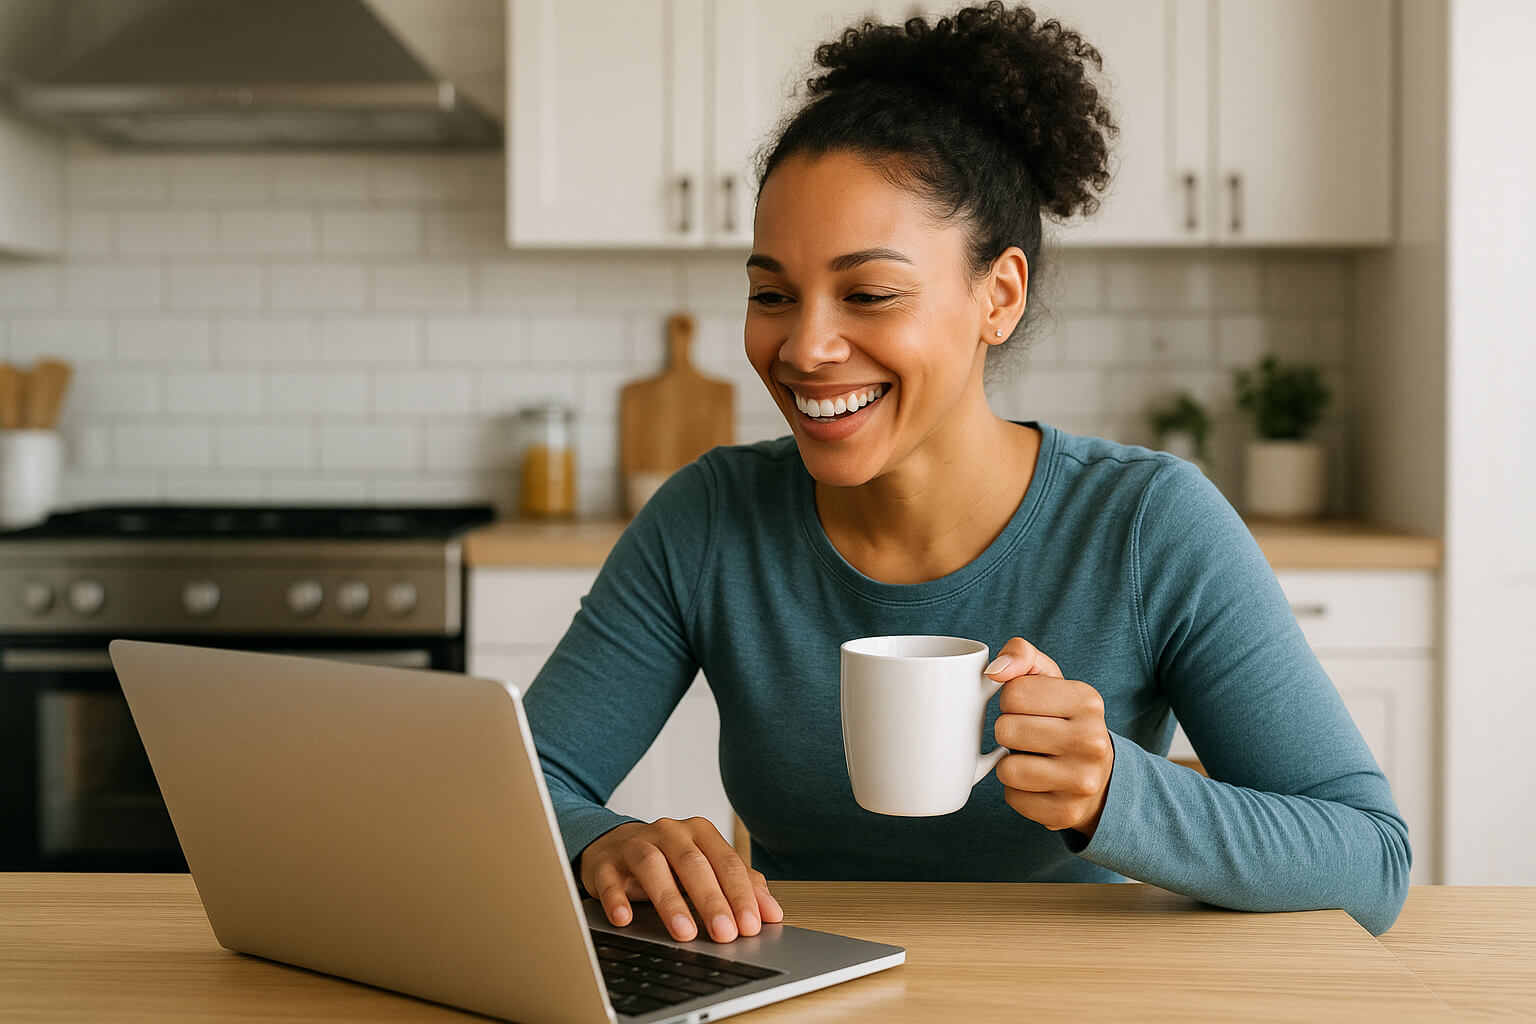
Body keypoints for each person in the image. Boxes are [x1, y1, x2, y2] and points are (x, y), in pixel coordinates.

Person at [524, 2, 1410, 942]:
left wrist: (1116, 792)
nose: (805, 345)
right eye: (771, 294)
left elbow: (1370, 858)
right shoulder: (711, 518)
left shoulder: (1148, 524)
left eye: (868, 293)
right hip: (792, 993)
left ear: (1000, 295)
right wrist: (597, 841)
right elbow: (526, 781)